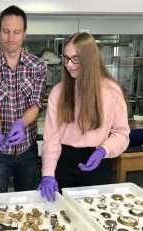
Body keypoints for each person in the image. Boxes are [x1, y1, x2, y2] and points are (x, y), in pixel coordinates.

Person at [37, 32, 130, 201]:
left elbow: (122, 133)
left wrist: (104, 150)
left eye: (75, 59)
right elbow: (51, 138)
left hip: (97, 161)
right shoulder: (58, 92)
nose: (69, 65)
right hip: (63, 161)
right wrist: (48, 174)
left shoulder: (111, 90)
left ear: (89, 59)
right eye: (66, 58)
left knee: (94, 213)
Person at [0, 5, 47, 193]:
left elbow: (36, 103)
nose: (10, 38)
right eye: (6, 31)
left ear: (24, 33)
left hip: (27, 148)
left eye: (16, 32)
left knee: (27, 200)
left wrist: (22, 123)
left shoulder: (38, 66)